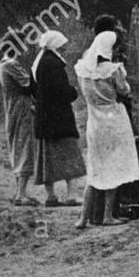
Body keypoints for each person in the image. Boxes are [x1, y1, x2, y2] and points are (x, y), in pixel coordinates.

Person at [73, 31, 139, 229]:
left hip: (94, 120)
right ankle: (107, 215)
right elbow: (124, 90)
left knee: (95, 168)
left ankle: (83, 218)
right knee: (113, 167)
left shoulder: (83, 70)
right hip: (114, 118)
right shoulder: (113, 69)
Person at [30, 30, 86, 206]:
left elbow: (33, 90)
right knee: (69, 154)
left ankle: (50, 196)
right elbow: (62, 91)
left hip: (44, 118)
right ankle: (71, 195)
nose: (65, 49)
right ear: (55, 46)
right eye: (62, 46)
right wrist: (73, 92)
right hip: (59, 119)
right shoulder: (54, 64)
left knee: (47, 159)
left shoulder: (38, 63)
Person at [0, 51, 38, 205]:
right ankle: (21, 194)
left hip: (12, 109)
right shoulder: (11, 64)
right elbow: (28, 85)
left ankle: (19, 193)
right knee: (25, 148)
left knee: (17, 148)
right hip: (22, 110)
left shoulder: (3, 63)